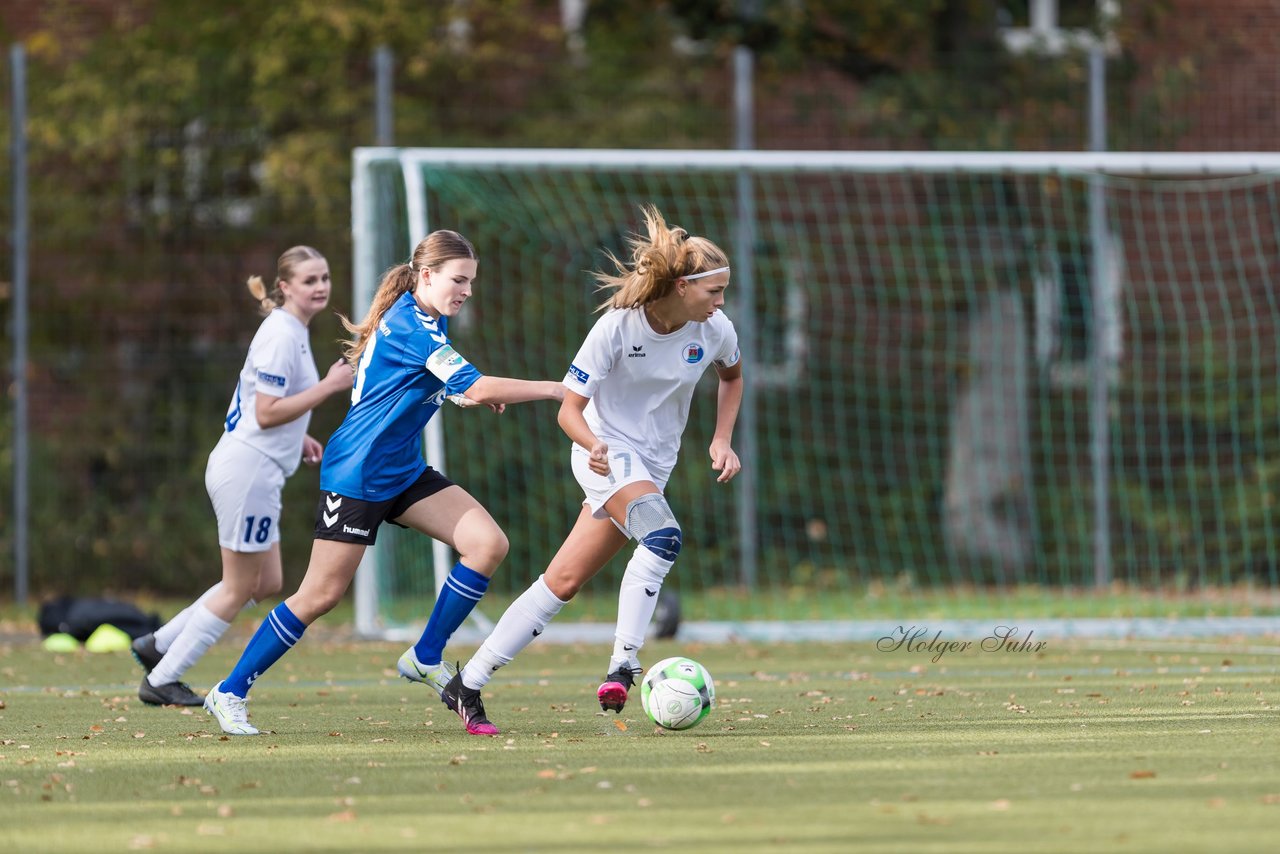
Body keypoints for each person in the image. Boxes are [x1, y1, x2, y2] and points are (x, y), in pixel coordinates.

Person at [203, 229, 564, 736]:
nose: (466, 290)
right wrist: (555, 389)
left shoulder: (427, 323)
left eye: (470, 282)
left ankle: (425, 655)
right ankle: (229, 691)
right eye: (458, 280)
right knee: (319, 596)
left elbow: (423, 384)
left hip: (402, 470)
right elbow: (474, 382)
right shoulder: (413, 327)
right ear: (426, 276)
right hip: (359, 474)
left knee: (486, 544)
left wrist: (465, 397)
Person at [443, 205, 742, 735]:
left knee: (562, 581)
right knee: (663, 538)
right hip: (604, 451)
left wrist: (722, 438)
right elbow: (568, 408)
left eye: (722, 292)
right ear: (679, 287)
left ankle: (467, 682)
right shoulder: (616, 328)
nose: (720, 302)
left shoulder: (715, 329)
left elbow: (732, 378)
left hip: (653, 463)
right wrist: (595, 447)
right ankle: (624, 663)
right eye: (712, 291)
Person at [131, 246, 353, 707]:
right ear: (285, 287)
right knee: (239, 586)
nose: (320, 287)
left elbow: (270, 409)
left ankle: (159, 644)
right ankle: (163, 678)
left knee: (266, 581)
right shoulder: (280, 334)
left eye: (325, 278)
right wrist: (329, 387)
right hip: (248, 470)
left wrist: (301, 436)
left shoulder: (292, 330)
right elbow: (266, 412)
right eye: (309, 280)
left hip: (257, 467)